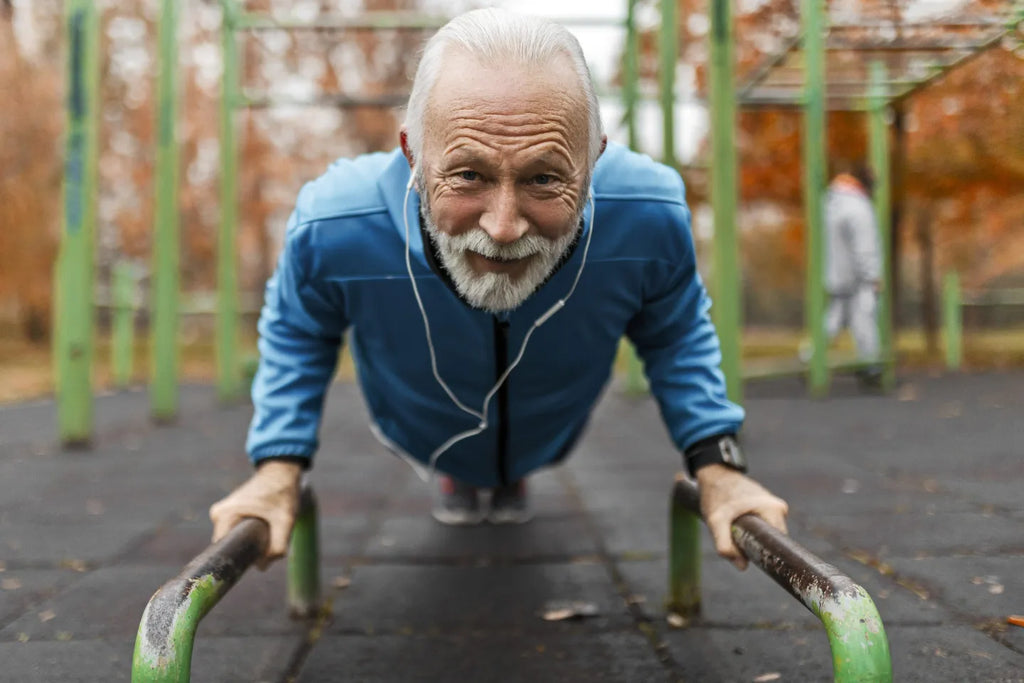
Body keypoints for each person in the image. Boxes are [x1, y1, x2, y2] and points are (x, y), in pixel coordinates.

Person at [210, 9, 788, 572]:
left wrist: (719, 466)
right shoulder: (336, 222)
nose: (504, 227)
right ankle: (462, 471)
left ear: (593, 160)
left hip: (548, 428)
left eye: (544, 177)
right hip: (419, 424)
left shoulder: (647, 214)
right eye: (468, 175)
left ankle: (508, 472)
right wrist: (277, 468)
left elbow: (675, 333)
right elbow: (299, 331)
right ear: (414, 155)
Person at [823, 164, 883, 385]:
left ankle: (810, 358)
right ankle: (871, 366)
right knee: (865, 318)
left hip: (835, 272)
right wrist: (872, 275)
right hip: (857, 276)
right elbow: (865, 246)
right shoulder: (859, 207)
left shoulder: (830, 203)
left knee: (834, 319)